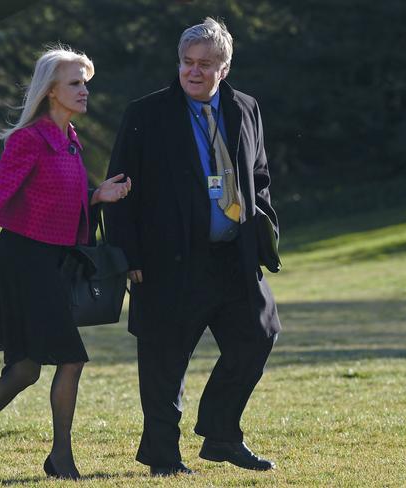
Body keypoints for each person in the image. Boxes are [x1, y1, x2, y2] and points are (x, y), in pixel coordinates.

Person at [0, 46, 131, 480]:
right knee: (70, 359)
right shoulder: (29, 139)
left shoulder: (70, 140)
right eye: (75, 83)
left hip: (50, 262)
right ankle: (61, 460)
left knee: (24, 370)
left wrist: (96, 196)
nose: (84, 90)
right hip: (24, 262)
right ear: (50, 91)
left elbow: (53, 201)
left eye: (84, 82)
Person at [105, 18, 281, 476]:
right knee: (164, 362)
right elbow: (120, 187)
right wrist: (127, 256)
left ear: (224, 67)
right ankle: (163, 458)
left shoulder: (246, 108)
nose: (193, 71)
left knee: (258, 335)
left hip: (233, 257)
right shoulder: (147, 114)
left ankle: (221, 435)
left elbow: (258, 176)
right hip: (167, 261)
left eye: (205, 64)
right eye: (187, 62)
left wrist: (264, 230)